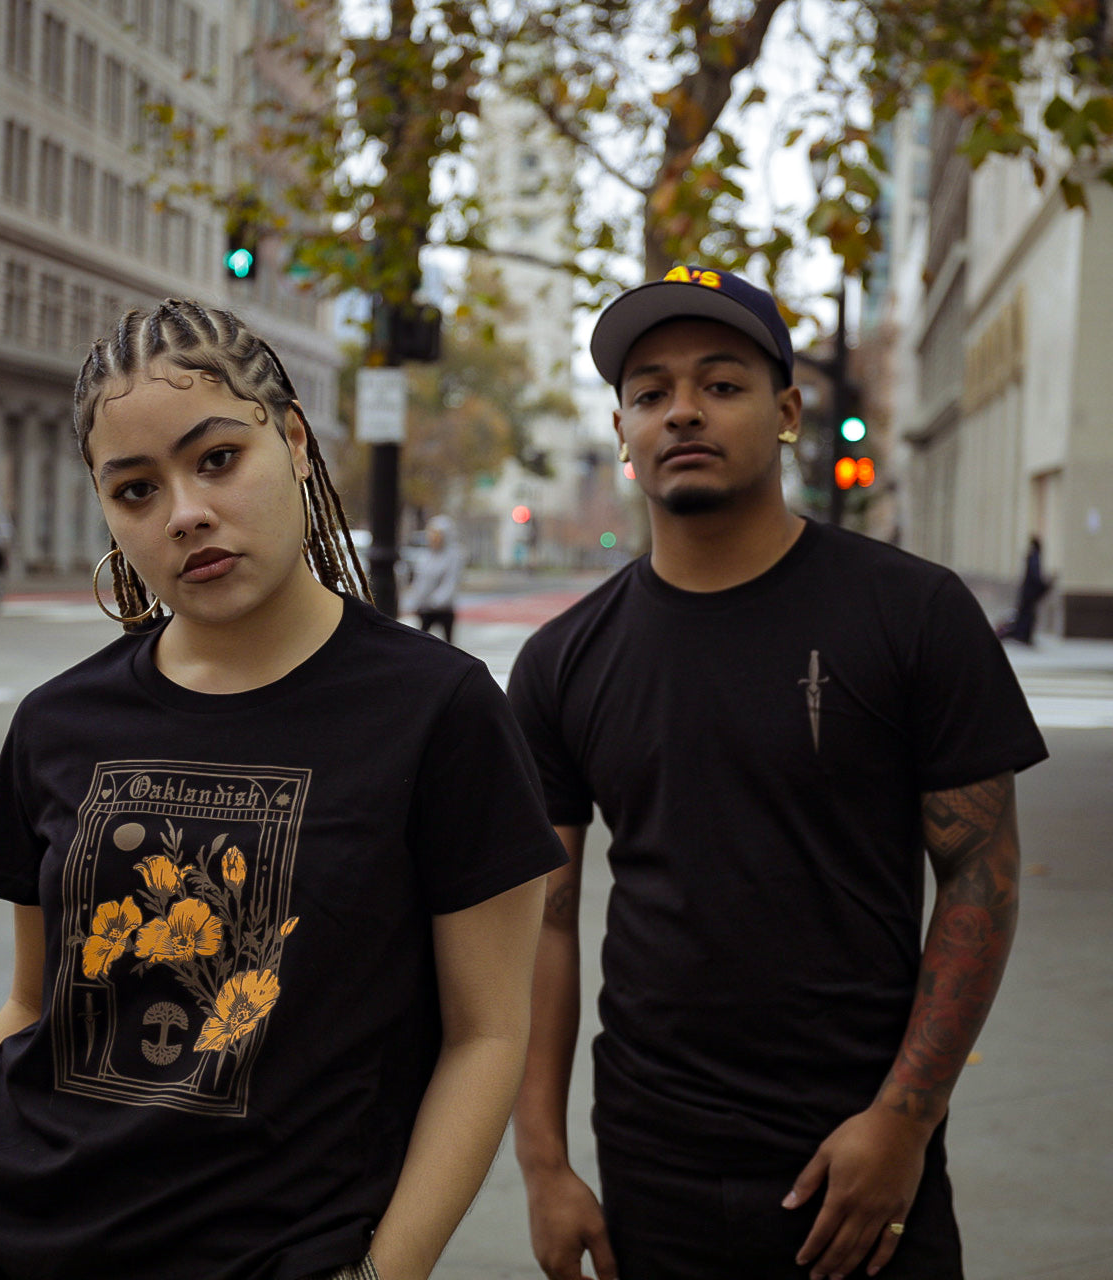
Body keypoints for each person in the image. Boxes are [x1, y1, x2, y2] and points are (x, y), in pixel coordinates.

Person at [0, 299, 565, 1280]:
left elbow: (486, 1033)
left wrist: (388, 1269)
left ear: (291, 438)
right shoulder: (55, 720)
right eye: (134, 488)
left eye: (215, 459)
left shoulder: (439, 709)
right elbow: (32, 999)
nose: (184, 511)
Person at [507, 266, 1048, 1280]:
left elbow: (980, 875)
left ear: (787, 410)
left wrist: (904, 1118)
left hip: (859, 1147)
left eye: (720, 383)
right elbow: (539, 919)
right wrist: (542, 1160)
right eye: (649, 391)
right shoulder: (561, 661)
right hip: (649, 1156)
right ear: (621, 431)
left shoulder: (912, 614)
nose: (681, 411)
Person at [403, 515, 464, 644]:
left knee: (448, 643)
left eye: (437, 534)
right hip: (425, 609)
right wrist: (414, 600)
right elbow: (419, 582)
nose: (433, 537)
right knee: (421, 639)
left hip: (443, 609)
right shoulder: (425, 556)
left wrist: (435, 601)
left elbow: (450, 583)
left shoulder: (453, 556)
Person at [998, 535, 1050, 645]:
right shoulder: (1034, 558)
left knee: (1025, 613)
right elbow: (1035, 576)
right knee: (1027, 614)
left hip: (1027, 592)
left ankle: (1022, 635)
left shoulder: (1030, 556)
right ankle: (1023, 635)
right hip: (1030, 593)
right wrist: (1043, 584)